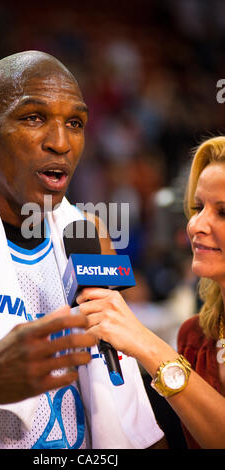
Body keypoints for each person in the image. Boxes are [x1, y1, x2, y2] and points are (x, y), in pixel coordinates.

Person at [0, 50, 165, 449]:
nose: (60, 143)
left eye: (75, 123)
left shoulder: (89, 235)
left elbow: (124, 394)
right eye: (34, 117)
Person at [78, 136, 225, 449]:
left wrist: (146, 344)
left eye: (222, 212)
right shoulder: (194, 337)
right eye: (198, 207)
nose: (197, 224)